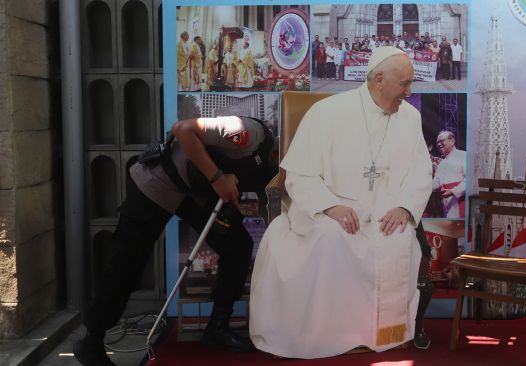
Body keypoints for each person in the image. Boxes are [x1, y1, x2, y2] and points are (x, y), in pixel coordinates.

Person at [249, 46, 432, 358]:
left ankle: (381, 332)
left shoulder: (410, 118)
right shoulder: (328, 113)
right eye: (404, 84)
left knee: (397, 238)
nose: (409, 91)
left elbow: (421, 171)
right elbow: (298, 175)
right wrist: (330, 206)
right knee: (332, 238)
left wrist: (403, 206)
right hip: (331, 209)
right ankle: (331, 334)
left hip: (386, 211)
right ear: (378, 80)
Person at [73, 116, 276, 366]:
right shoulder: (247, 132)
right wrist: (217, 179)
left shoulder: (265, 161)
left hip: (190, 192)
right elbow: (183, 129)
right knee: (127, 263)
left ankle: (218, 328)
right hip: (156, 182)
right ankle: (91, 342)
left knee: (237, 245)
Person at [432, 130, 466, 218]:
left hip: (460, 200)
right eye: (437, 142)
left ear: (452, 141)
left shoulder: (463, 155)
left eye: (442, 141)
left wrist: (453, 191)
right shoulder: (442, 163)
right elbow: (435, 184)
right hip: (446, 202)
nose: (439, 144)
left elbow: (469, 180)